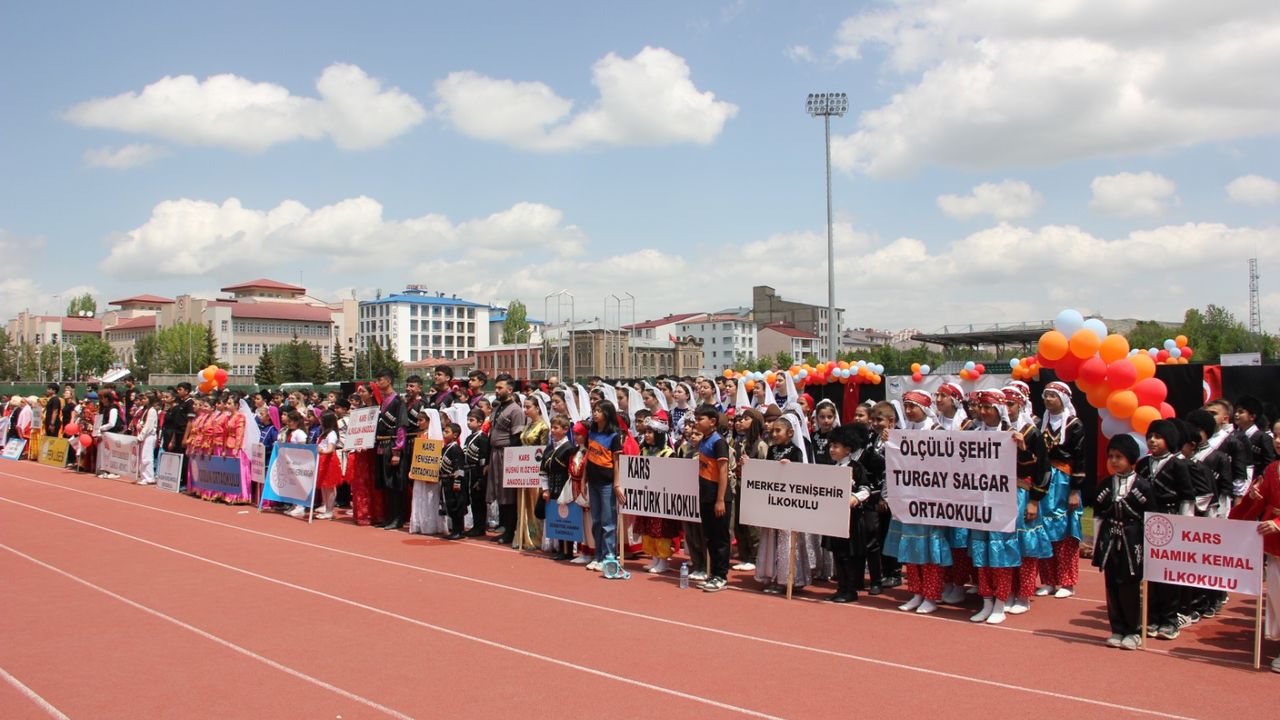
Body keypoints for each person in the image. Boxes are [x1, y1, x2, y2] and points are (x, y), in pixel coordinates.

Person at [1227, 418, 1280, 673]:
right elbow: (1258, 503)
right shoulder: (1271, 469)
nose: (1278, 441)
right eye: (1277, 436)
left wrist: (1279, 522)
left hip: (1276, 530)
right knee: (1276, 597)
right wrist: (1252, 496)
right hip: (1275, 544)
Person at [1092, 433, 1151, 650]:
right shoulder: (1105, 485)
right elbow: (1098, 515)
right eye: (1111, 456)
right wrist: (1097, 543)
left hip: (1133, 540)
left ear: (1131, 458)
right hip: (1110, 539)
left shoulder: (1143, 486)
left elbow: (1151, 518)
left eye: (1119, 456)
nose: (1114, 461)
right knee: (1112, 584)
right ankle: (1116, 628)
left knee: (1130, 586)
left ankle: (1133, 631)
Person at [1137, 419, 1194, 640]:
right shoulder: (1143, 463)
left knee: (1168, 573)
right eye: (1150, 436)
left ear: (1169, 440)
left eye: (1158, 436)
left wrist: (1184, 526)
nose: (1152, 440)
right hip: (1146, 521)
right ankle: (1151, 617)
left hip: (1171, 520)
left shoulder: (1179, 464)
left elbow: (1187, 497)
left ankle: (1170, 620)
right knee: (1149, 572)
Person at [756, 413, 815, 594]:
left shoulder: (796, 452)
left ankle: (788, 578)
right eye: (772, 430)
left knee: (787, 541)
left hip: (788, 504)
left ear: (790, 432)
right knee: (772, 540)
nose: (774, 434)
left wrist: (789, 466)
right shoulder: (772, 450)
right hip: (773, 502)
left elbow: (801, 476)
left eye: (778, 430)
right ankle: (772, 576)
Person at [1038, 382, 1085, 599]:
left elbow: (1080, 459)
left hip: (1064, 482)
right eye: (1046, 395)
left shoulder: (1074, 425)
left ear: (1063, 399)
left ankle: (1067, 581)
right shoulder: (1040, 423)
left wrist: (1075, 490)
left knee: (1065, 532)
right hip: (1045, 480)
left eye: (1053, 396)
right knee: (1043, 529)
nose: (1048, 400)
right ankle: (1048, 579)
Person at [824, 424, 877, 603]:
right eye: (831, 446)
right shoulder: (831, 467)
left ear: (847, 449)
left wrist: (855, 498)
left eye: (836, 446)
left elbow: (866, 488)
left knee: (849, 555)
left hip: (852, 520)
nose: (832, 449)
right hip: (834, 519)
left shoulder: (856, 467)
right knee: (838, 554)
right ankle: (841, 587)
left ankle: (851, 589)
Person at [583, 400, 624, 572]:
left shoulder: (614, 436)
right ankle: (598, 555)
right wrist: (584, 479)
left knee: (608, 522)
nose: (595, 413)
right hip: (593, 482)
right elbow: (587, 457)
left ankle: (609, 556)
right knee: (597, 521)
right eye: (594, 410)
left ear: (607, 414)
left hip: (607, 484)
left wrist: (617, 483)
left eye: (599, 410)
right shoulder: (591, 432)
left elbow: (617, 463)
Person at [637, 418, 679, 573]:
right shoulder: (644, 451)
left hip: (662, 499)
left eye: (650, 432)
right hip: (647, 496)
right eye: (646, 432)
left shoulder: (669, 454)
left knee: (660, 530)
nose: (646, 435)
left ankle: (663, 560)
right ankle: (654, 557)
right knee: (648, 528)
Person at [488, 374, 526, 544]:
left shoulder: (516, 410)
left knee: (508, 494)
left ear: (510, 390)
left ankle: (510, 531)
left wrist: (511, 459)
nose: (497, 391)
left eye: (500, 388)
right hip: (494, 453)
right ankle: (503, 528)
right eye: (496, 388)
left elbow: (517, 437)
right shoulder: (497, 408)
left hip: (507, 454)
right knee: (498, 492)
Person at [731, 407, 768, 572]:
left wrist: (751, 465)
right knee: (739, 522)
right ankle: (744, 554)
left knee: (752, 524)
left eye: (746, 419)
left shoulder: (761, 445)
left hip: (753, 489)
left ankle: (755, 557)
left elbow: (766, 469)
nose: (741, 422)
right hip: (739, 484)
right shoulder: (739, 442)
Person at [373, 369, 408, 530]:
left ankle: (397, 518)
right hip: (381, 446)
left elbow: (401, 427)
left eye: (380, 379)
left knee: (394, 485)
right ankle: (388, 516)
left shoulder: (398, 401)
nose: (378, 383)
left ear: (388, 380)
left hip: (392, 446)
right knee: (386, 484)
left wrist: (397, 451)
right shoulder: (383, 401)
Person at [539, 414, 576, 558]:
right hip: (552, 488)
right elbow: (543, 471)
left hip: (565, 487)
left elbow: (571, 471)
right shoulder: (549, 449)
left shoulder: (569, 449)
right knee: (556, 518)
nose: (552, 431)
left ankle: (567, 550)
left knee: (567, 518)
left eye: (556, 428)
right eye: (552, 428)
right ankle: (559, 547)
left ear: (565, 429)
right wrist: (545, 489)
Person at [462, 408, 491, 536]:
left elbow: (484, 458)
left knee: (479, 500)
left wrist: (481, 478)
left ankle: (480, 527)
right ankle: (475, 525)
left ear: (480, 422)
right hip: (468, 471)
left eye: (471, 420)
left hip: (478, 471)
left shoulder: (483, 438)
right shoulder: (468, 438)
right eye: (468, 420)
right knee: (473, 500)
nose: (469, 423)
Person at [314, 411, 342, 519]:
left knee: (329, 486)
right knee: (324, 486)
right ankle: (326, 507)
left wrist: (321, 451)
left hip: (329, 461)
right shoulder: (324, 433)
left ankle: (329, 511)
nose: (320, 421)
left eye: (322, 420)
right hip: (322, 460)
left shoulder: (332, 434)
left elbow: (330, 449)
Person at [136, 394, 159, 485]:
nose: (143, 400)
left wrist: (141, 436)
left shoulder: (152, 410)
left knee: (147, 457)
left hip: (149, 436)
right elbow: (143, 422)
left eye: (145, 398)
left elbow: (149, 426)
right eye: (142, 398)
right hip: (145, 435)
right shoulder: (146, 410)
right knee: (143, 456)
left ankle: (149, 477)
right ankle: (144, 476)